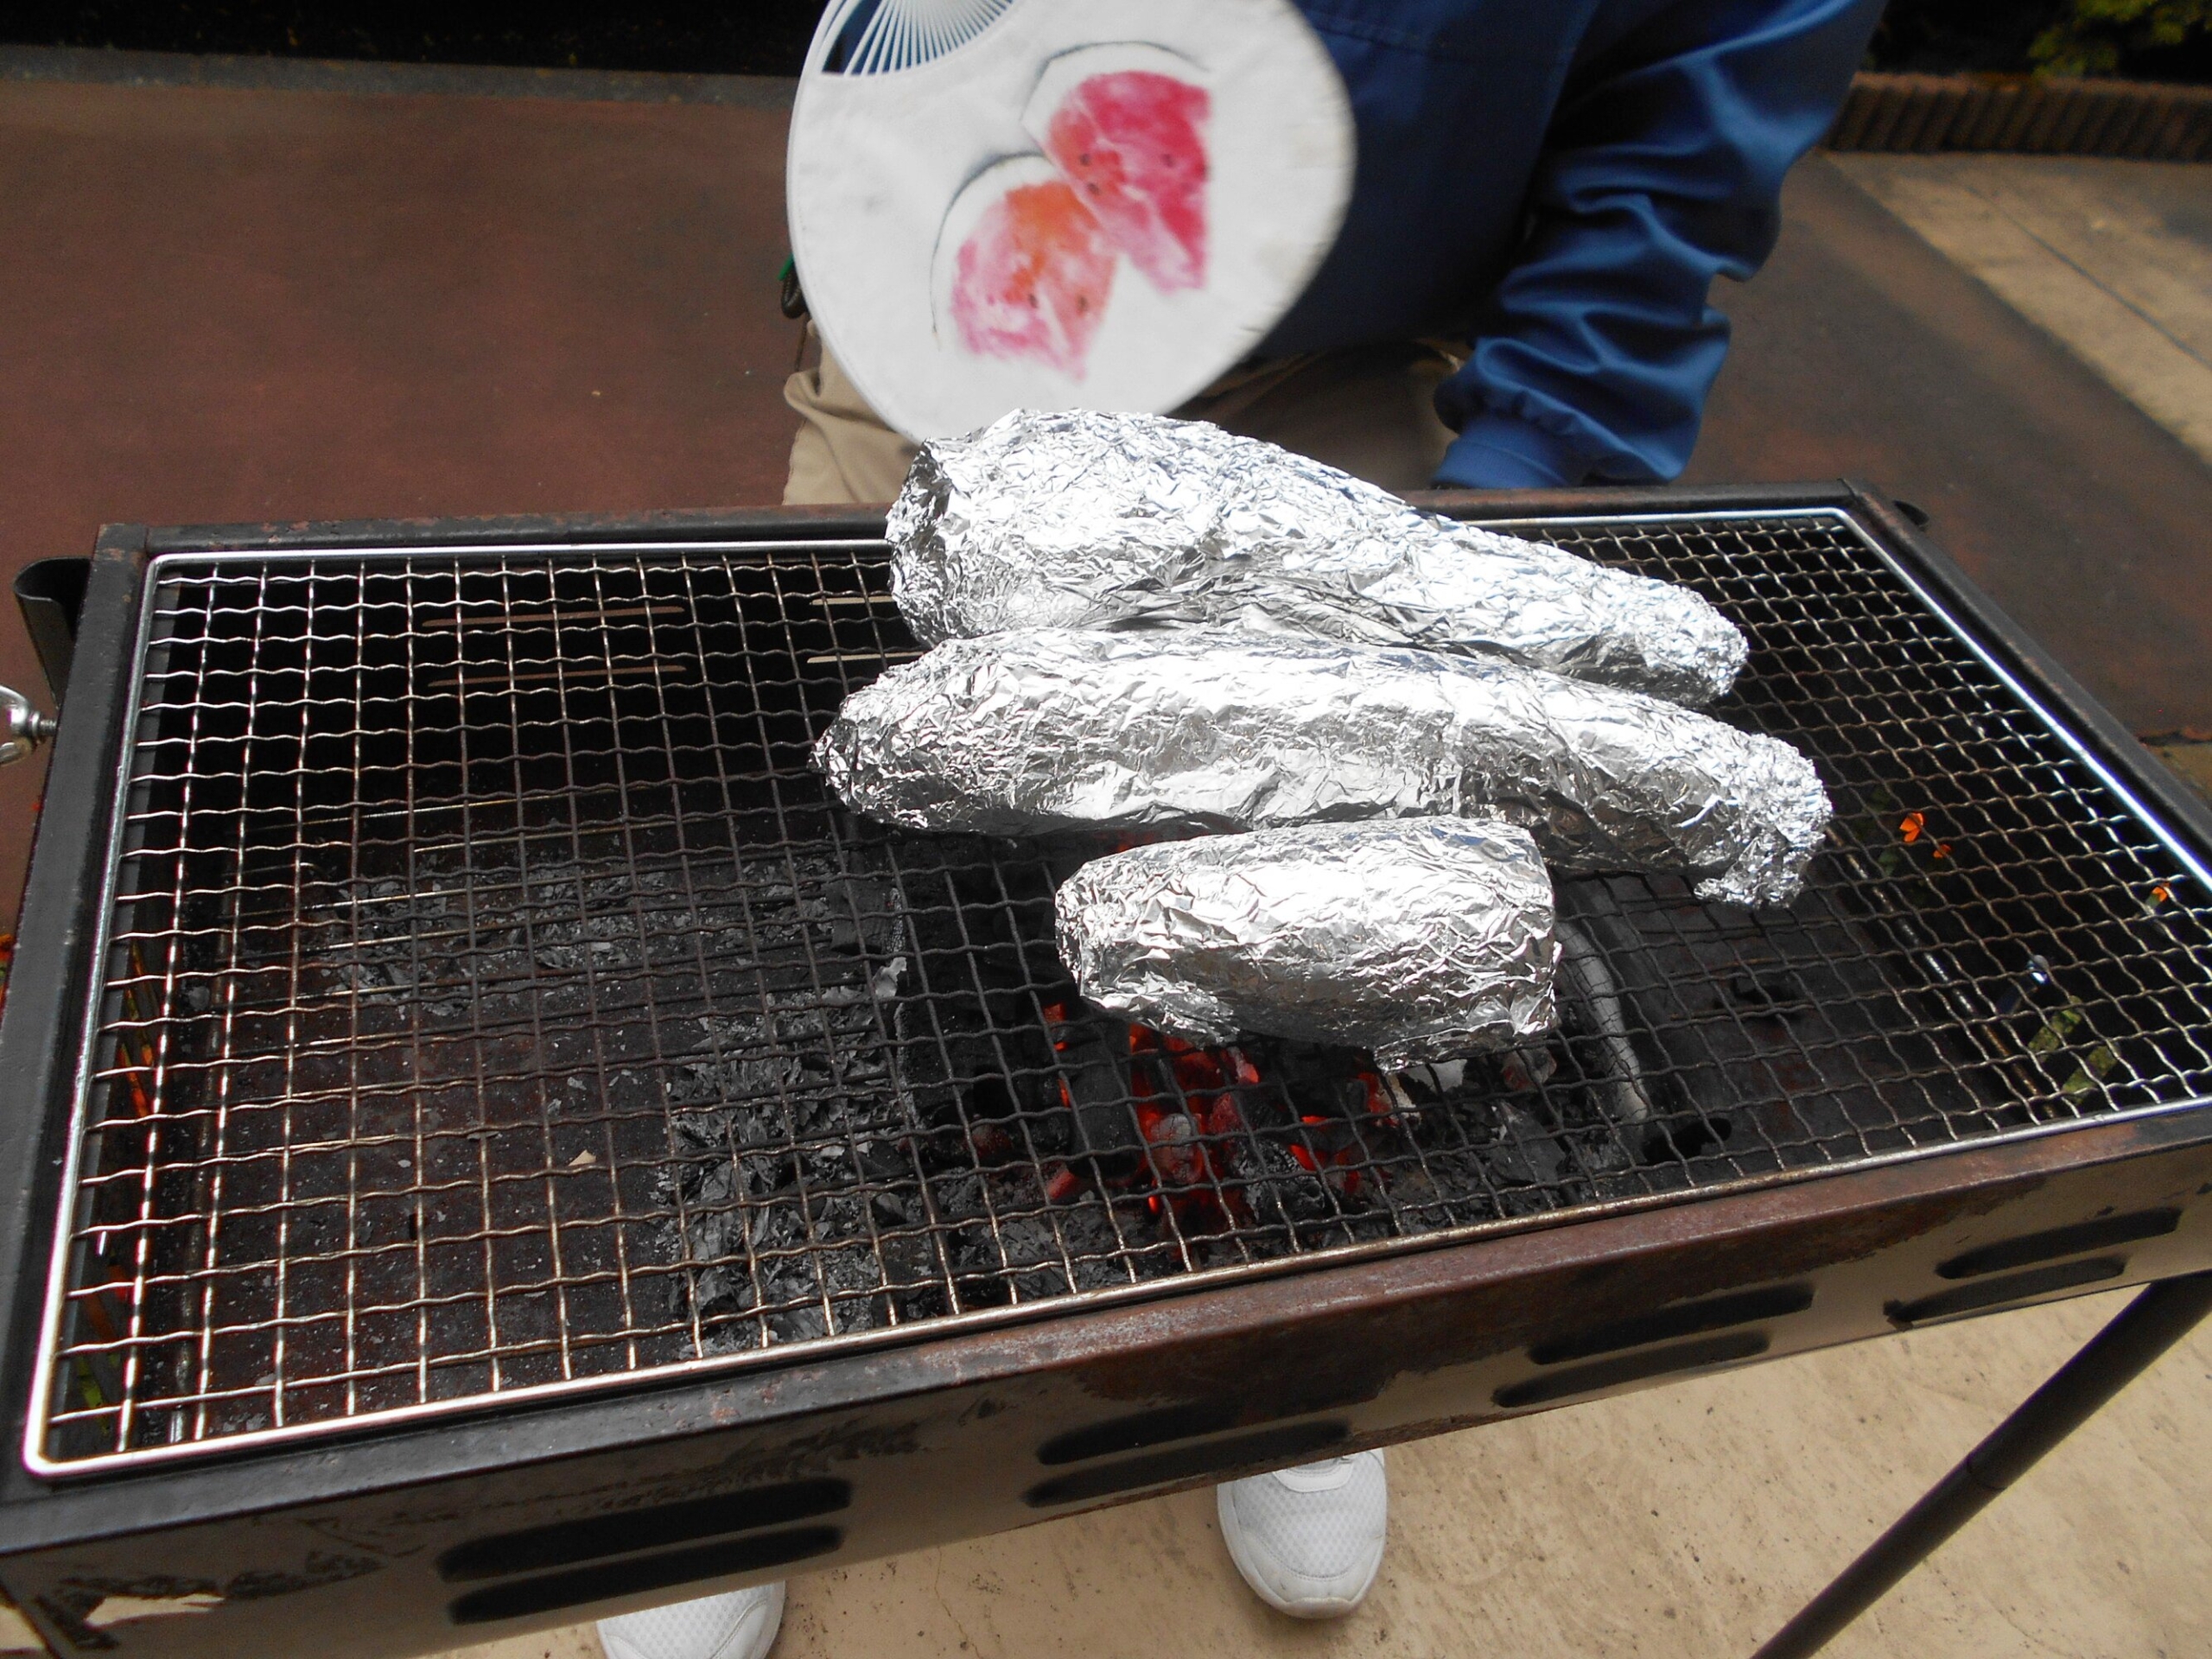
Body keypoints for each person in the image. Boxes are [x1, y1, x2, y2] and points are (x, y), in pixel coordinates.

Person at [601, 1, 1881, 1654]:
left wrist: (1526, 493)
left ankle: (1293, 1365)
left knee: (1336, 912)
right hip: (948, 281)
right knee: (838, 831)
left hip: (1321, 353)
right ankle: (753, 1407)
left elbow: (1688, 126)